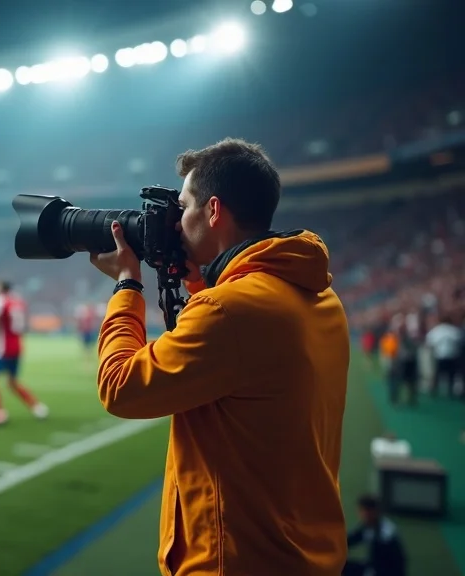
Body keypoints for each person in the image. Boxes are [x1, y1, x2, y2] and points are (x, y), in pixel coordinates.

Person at [90, 138, 349, 575]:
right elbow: (240, 356)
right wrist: (200, 280)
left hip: (234, 562)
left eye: (183, 207)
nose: (175, 223)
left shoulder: (229, 311)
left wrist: (126, 285)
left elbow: (120, 388)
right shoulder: (318, 295)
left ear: (212, 211)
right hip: (303, 554)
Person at [0, 280, 48, 426]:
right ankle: (37, 407)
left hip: (4, 348)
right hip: (17, 346)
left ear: (0, 289)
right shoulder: (18, 301)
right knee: (12, 382)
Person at [344, 495, 407, 576]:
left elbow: (387, 561)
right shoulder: (368, 527)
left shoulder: (386, 532)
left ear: (376, 511)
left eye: (367, 511)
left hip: (388, 571)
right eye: (362, 511)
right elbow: (350, 540)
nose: (364, 515)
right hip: (374, 567)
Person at [425, 315, 461, 398]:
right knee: (451, 375)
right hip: (452, 355)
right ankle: (450, 391)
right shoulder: (454, 330)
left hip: (439, 355)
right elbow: (459, 341)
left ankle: (434, 390)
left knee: (437, 374)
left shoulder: (436, 330)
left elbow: (429, 342)